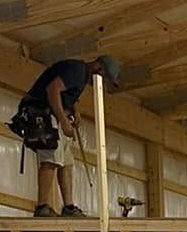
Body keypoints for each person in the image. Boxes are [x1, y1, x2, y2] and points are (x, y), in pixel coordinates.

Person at [11, 54, 121, 218]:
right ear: (98, 67)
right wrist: (63, 120)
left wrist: (74, 111)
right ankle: (42, 206)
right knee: (51, 158)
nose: (102, 81)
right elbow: (53, 89)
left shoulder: (81, 75)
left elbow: (64, 94)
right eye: (104, 77)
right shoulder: (77, 70)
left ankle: (69, 207)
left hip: (52, 114)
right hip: (43, 113)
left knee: (66, 162)